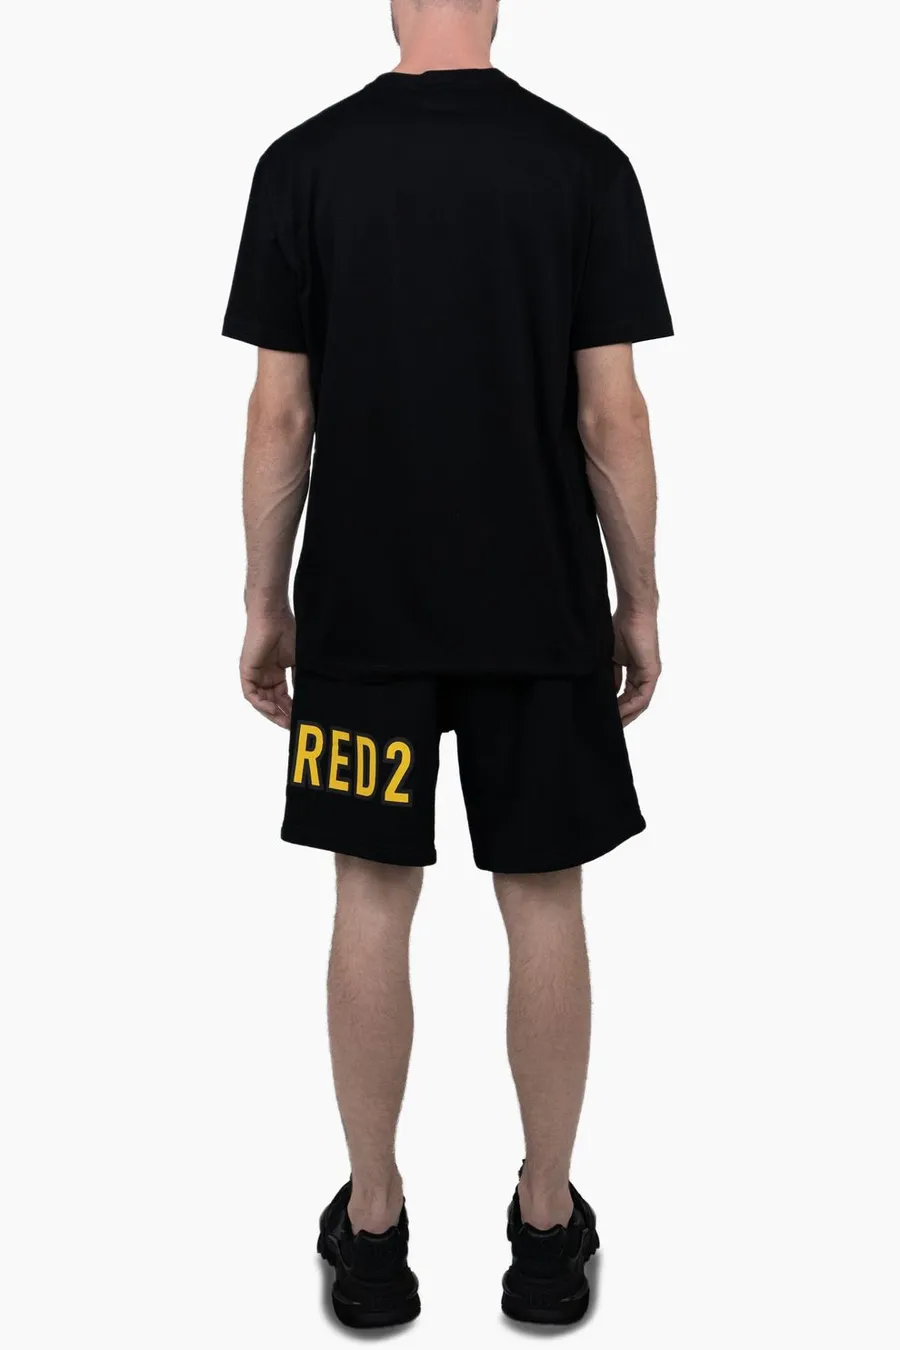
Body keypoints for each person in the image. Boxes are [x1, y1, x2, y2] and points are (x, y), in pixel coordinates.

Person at [222, 0, 671, 1328]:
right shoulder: (583, 165)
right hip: (541, 608)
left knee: (372, 897)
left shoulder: (303, 165)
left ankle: (372, 1236)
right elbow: (613, 412)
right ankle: (547, 1231)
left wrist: (264, 600)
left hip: (363, 616)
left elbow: (280, 411)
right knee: (544, 901)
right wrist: (639, 599)